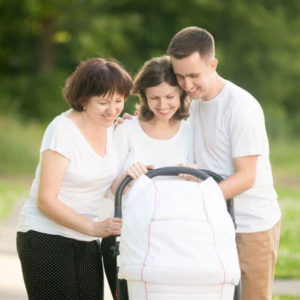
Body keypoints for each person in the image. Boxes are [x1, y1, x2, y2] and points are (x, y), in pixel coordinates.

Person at [167, 26, 281, 300]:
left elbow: (246, 177)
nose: (186, 84)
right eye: (180, 76)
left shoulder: (240, 106)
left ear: (213, 64)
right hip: (211, 224)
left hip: (250, 227)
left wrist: (198, 200)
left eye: (194, 75)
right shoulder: (191, 103)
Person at [16, 57, 132, 300]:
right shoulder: (63, 130)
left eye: (119, 101)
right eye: (103, 102)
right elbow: (46, 200)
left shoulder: (114, 129)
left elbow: (109, 185)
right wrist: (94, 227)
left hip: (86, 241)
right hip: (45, 236)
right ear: (83, 100)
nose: (112, 109)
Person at [102, 55, 194, 299]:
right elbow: (110, 189)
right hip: (132, 239)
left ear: (182, 95)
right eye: (154, 98)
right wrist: (126, 177)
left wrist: (194, 174)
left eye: (170, 97)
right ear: (143, 96)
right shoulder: (125, 130)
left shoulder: (192, 131)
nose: (162, 105)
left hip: (180, 239)